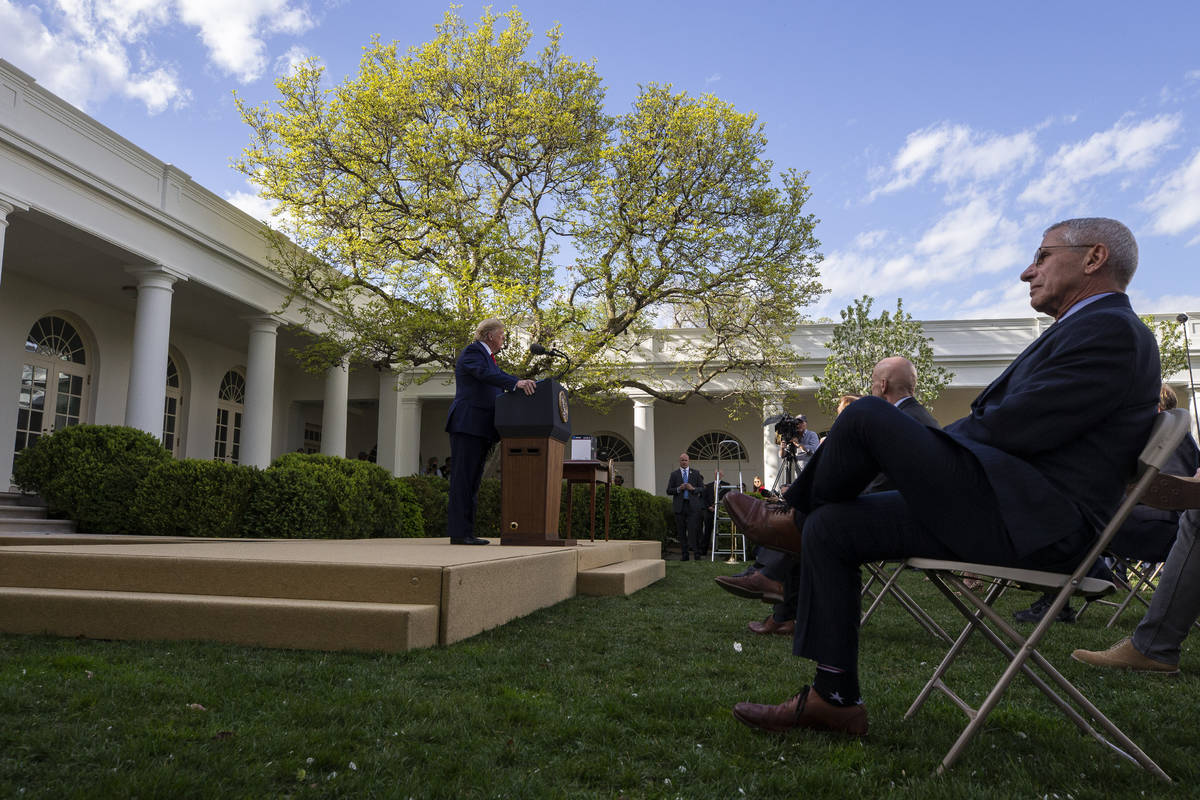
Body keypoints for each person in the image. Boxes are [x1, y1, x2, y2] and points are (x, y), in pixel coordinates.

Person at [722, 218, 1159, 737]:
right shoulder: (1085, 328)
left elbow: (1016, 425)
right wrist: (921, 453)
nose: (1027, 271)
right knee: (832, 527)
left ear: (1094, 258)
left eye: (1041, 256)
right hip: (1006, 505)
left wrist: (921, 450)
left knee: (865, 416)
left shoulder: (1112, 331)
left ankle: (791, 516)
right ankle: (834, 697)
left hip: (1038, 522)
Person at [1013, 384, 1200, 624]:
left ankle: (1065, 596)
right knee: (1072, 516)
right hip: (1160, 527)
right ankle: (1071, 590)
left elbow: (1162, 491)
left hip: (1158, 530)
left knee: (1071, 520)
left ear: (1156, 407)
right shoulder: (1175, 434)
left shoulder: (1165, 437)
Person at [444, 319, 536, 545]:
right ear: (489, 336)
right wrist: (516, 383)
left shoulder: (490, 360)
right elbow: (486, 375)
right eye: (501, 334)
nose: (504, 338)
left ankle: (466, 532)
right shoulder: (473, 352)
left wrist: (520, 385)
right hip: (468, 424)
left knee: (473, 481)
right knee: (463, 480)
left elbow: (497, 378)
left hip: (481, 427)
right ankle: (459, 533)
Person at [666, 453, 705, 561]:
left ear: (689, 461)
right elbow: (669, 490)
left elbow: (702, 488)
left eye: (686, 460)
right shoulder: (674, 474)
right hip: (680, 506)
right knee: (681, 531)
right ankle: (685, 555)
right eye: (682, 460)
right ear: (680, 461)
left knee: (694, 530)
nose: (684, 462)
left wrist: (693, 489)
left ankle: (697, 554)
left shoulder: (695, 473)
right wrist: (679, 488)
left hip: (692, 507)